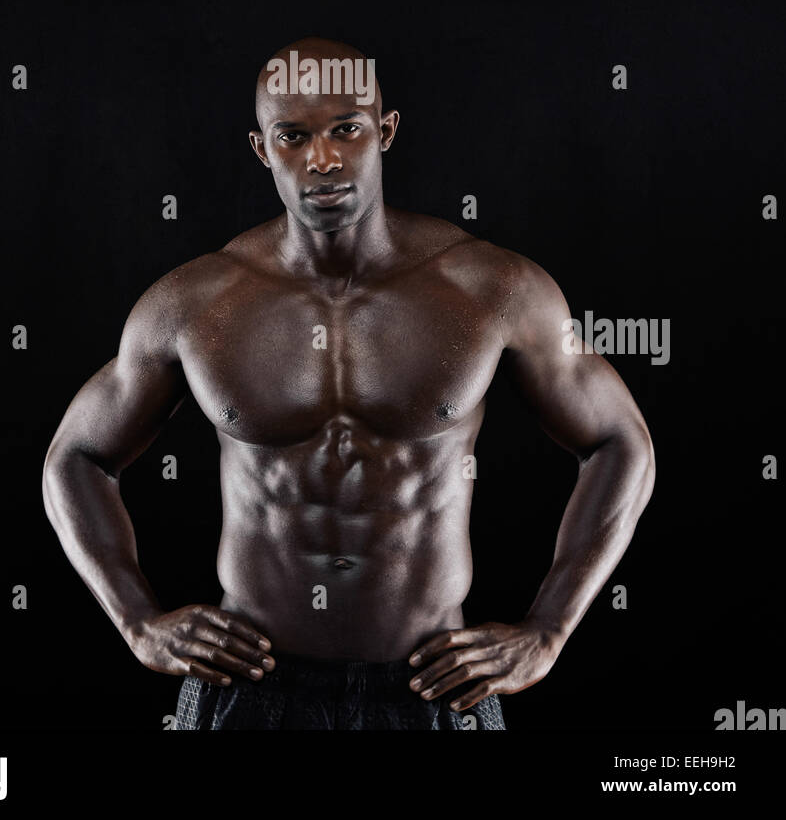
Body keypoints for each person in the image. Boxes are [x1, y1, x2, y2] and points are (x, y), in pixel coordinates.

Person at [42, 37, 655, 730]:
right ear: (260, 148)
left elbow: (618, 439)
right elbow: (76, 455)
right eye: (293, 137)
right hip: (249, 691)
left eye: (346, 130)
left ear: (385, 131)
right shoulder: (194, 303)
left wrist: (549, 629)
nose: (323, 161)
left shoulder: (493, 288)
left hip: (430, 690)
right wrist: (137, 621)